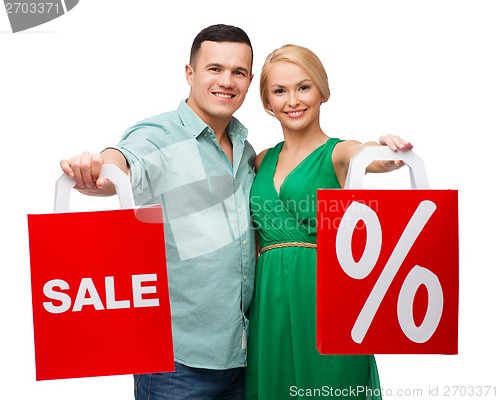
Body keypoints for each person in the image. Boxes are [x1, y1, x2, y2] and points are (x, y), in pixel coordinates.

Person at [60, 24, 256, 400]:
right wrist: (98, 167)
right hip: (175, 365)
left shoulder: (246, 151)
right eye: (214, 68)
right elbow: (122, 161)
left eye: (239, 72)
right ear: (190, 73)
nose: (227, 81)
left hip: (242, 358)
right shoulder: (159, 134)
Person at [244, 44, 413, 399]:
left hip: (326, 299)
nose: (293, 100)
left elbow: (365, 156)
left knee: (332, 387)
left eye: (303, 87)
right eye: (280, 90)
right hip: (269, 305)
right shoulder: (260, 161)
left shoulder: (337, 153)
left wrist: (386, 152)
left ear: (322, 91)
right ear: (267, 103)